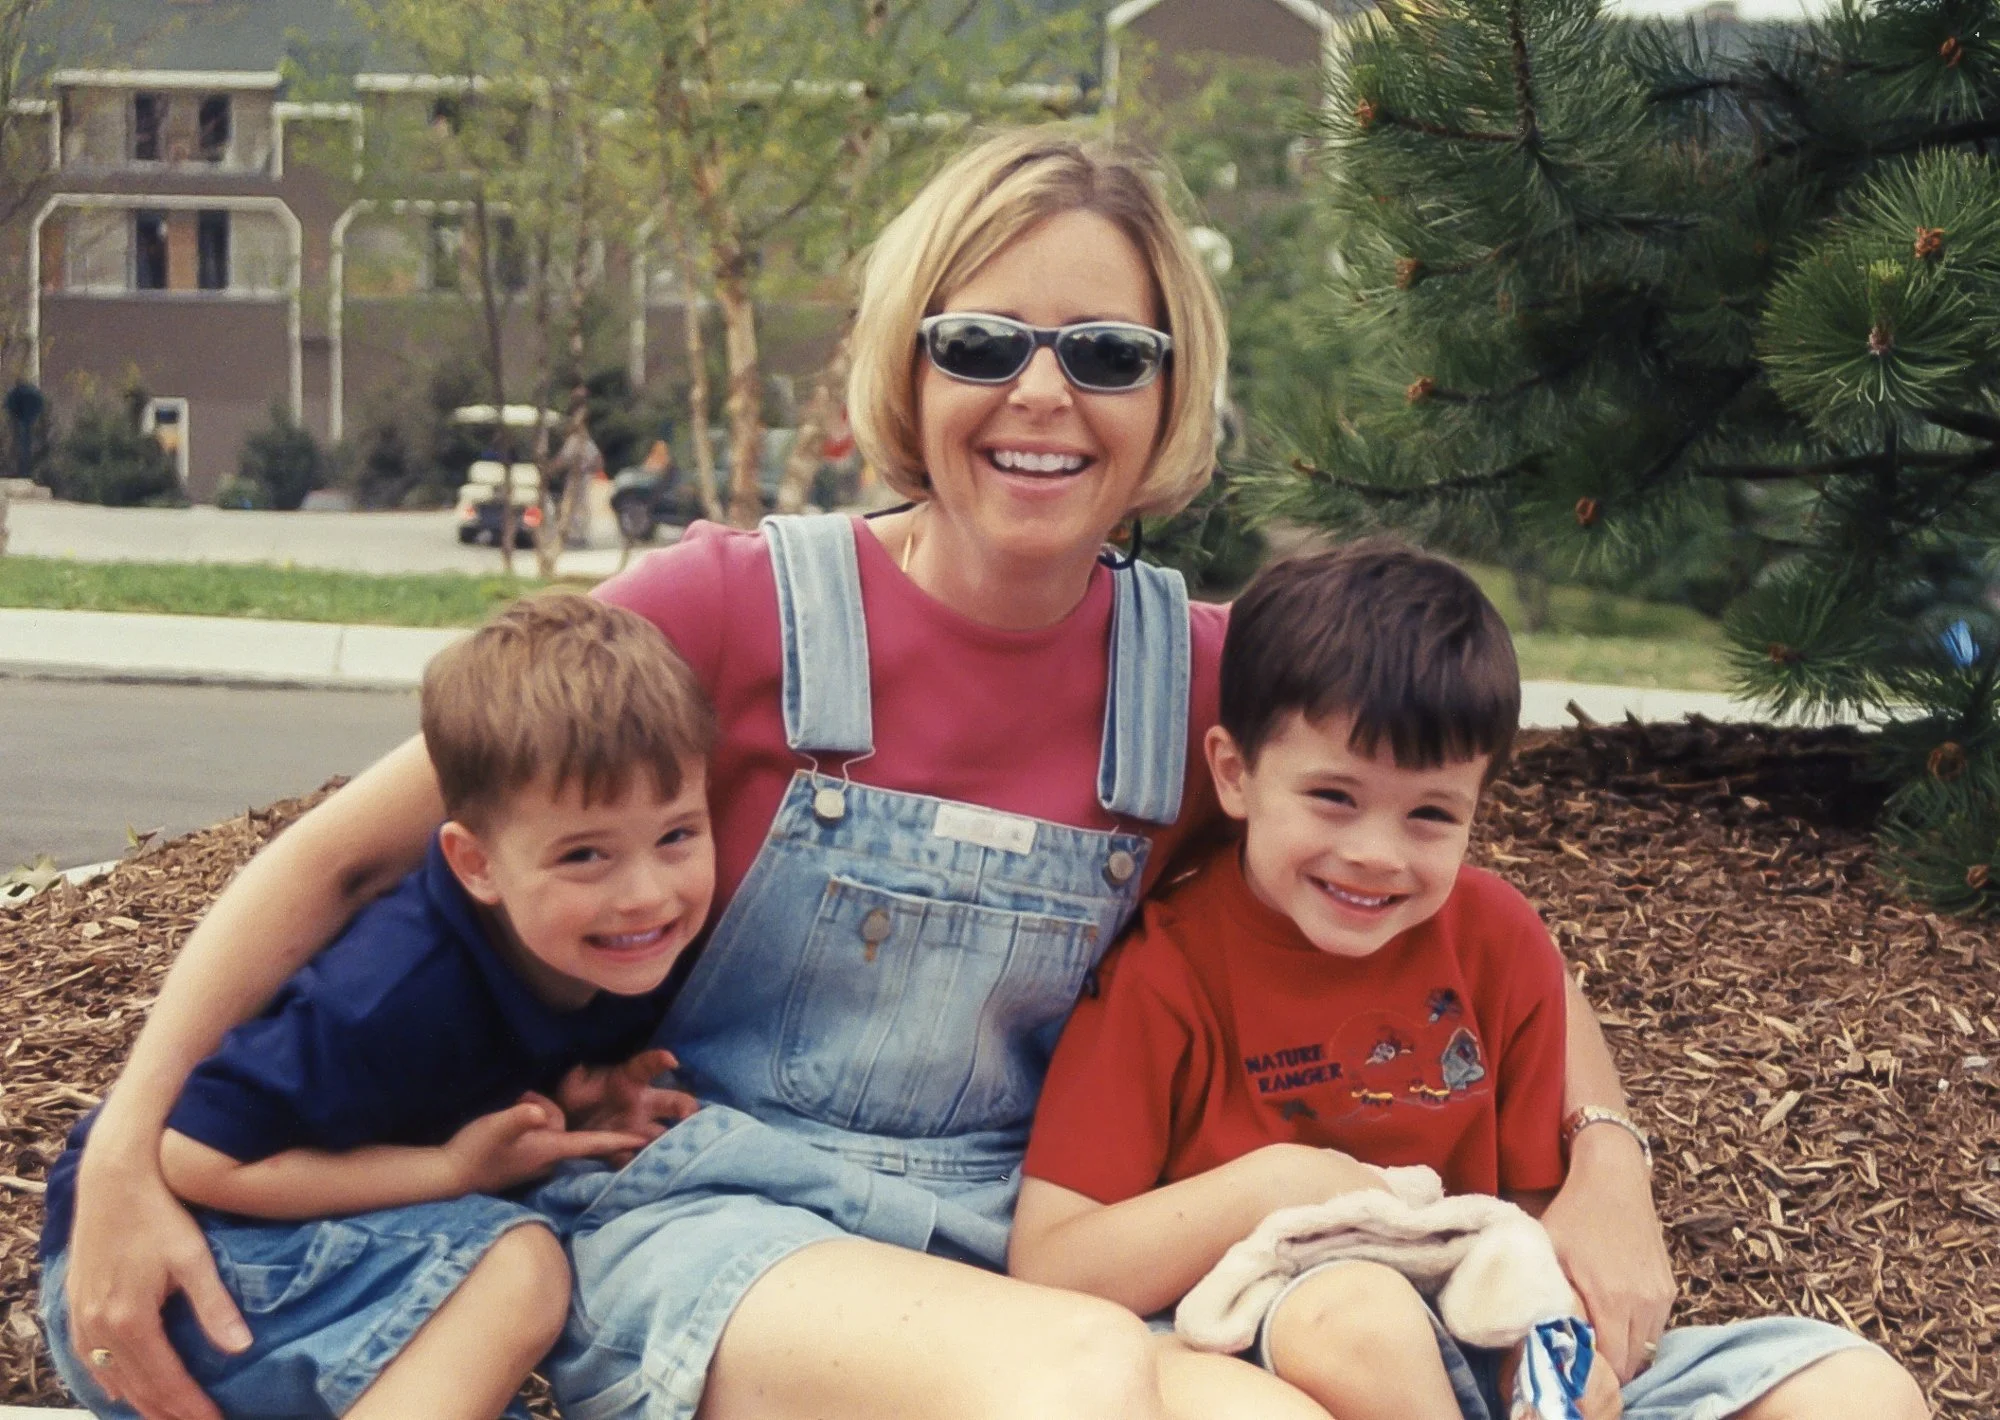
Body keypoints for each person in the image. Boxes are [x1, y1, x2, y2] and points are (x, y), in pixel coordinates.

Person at [62, 127, 1670, 1420]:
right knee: (1081, 1386)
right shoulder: (731, 610)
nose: (1044, 394)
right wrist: (133, 1155)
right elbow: (344, 856)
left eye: (1107, 352)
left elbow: (1464, 907)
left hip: (1024, 1235)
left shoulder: (1210, 682)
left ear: (1171, 389)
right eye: (985, 341)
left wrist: (1608, 1167)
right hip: (717, 1221)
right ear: (908, 365)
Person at [1011, 543, 1929, 1420]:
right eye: (1333, 796)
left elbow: (1533, 1224)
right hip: (1281, 1343)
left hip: (1490, 1324)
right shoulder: (1168, 968)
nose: (1374, 854)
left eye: (1431, 814)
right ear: (1236, 773)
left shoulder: (1495, 940)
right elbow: (1051, 1262)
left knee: (1858, 1388)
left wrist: (1559, 1361)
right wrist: (1276, 1185)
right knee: (1357, 1317)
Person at [41, 593, 716, 1419]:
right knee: (516, 1269)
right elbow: (196, 1156)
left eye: (677, 835)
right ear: (476, 865)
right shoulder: (392, 991)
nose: (646, 893)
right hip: (171, 1266)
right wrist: (450, 1171)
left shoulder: (607, 950)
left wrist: (579, 1092)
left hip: (320, 1261)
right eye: (584, 855)